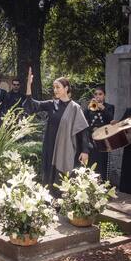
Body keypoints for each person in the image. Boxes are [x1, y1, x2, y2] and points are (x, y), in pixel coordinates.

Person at [24, 68, 89, 197]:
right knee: (48, 176)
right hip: (50, 146)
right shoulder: (51, 104)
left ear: (66, 88)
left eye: (58, 87)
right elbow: (31, 106)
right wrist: (28, 86)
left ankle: (61, 204)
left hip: (65, 149)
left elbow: (83, 130)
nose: (55, 90)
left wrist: (85, 150)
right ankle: (48, 204)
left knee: (63, 178)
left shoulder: (75, 107)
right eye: (54, 87)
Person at [84, 87, 114, 179]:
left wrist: (103, 108)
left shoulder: (109, 107)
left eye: (100, 94)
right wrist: (87, 109)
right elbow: (84, 122)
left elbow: (111, 119)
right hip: (91, 139)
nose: (98, 96)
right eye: (96, 94)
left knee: (102, 161)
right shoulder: (91, 106)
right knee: (92, 161)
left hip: (104, 139)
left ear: (104, 95)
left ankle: (103, 183)